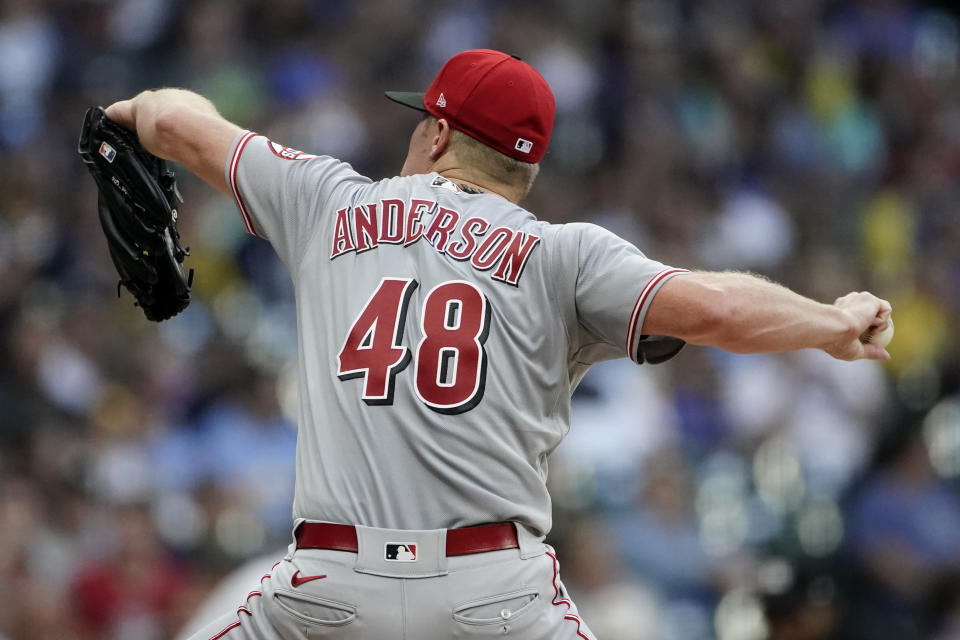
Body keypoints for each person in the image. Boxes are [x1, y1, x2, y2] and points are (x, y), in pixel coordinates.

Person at [104, 49, 891, 640]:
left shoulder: (329, 202)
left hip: (326, 590)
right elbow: (718, 308)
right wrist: (831, 321)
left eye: (422, 120)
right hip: (497, 599)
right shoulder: (566, 254)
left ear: (439, 133)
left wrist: (128, 111)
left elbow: (172, 121)